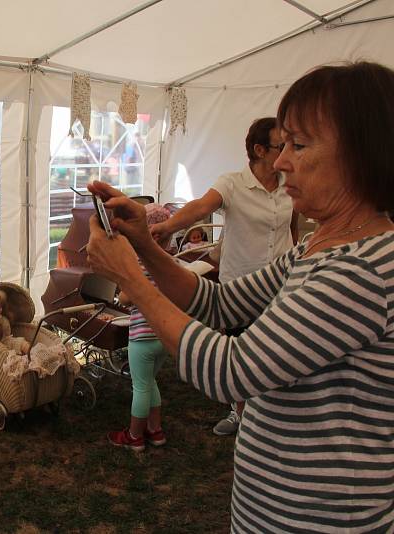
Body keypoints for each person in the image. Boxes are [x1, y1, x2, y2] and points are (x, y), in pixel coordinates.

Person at [85, 61, 394, 532]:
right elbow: (220, 304)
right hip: (277, 510)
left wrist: (132, 277)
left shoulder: (361, 270)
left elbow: (232, 372)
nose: (283, 160)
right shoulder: (319, 246)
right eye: (282, 143)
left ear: (361, 154)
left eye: (300, 144)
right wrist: (145, 244)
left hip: (320, 518)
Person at [150, 117, 297, 437]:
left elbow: (291, 225)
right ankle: (239, 414)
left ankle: (270, 414)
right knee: (242, 352)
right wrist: (167, 227)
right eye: (280, 145)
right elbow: (200, 206)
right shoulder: (232, 183)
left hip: (282, 284)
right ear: (259, 150)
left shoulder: (290, 182)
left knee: (276, 352)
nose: (287, 152)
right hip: (242, 285)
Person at [107, 204, 171, 453]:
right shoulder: (169, 262)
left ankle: (134, 435)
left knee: (140, 386)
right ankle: (155, 431)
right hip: (163, 336)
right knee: (150, 381)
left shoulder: (141, 265)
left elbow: (125, 298)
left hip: (142, 337)